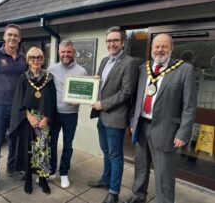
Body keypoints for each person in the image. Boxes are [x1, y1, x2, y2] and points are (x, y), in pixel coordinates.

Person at [123, 34, 197, 203]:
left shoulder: (185, 70)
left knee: (164, 173)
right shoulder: (143, 68)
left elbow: (189, 106)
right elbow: (136, 97)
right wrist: (133, 121)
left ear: (171, 48)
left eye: (164, 46)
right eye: (157, 46)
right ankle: (138, 196)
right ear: (151, 49)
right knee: (140, 166)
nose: (160, 50)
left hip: (167, 130)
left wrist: (183, 133)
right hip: (141, 126)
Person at [88, 27, 138, 203]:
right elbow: (105, 84)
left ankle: (114, 192)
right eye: (109, 41)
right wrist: (96, 81)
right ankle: (105, 179)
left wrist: (103, 104)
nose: (112, 44)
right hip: (101, 116)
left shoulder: (129, 62)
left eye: (115, 40)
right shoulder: (104, 61)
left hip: (115, 117)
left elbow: (126, 92)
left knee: (115, 155)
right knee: (106, 150)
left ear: (122, 42)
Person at [0, 24, 27, 193]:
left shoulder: (23, 59)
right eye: (10, 35)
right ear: (4, 37)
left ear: (19, 38)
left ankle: (11, 169)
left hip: (18, 108)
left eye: (15, 35)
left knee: (15, 141)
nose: (12, 38)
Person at [9, 47, 56, 195]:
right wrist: (29, 117)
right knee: (28, 150)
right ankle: (28, 179)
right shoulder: (24, 78)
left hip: (44, 121)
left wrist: (46, 118)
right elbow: (18, 101)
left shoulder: (49, 78)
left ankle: (42, 180)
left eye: (39, 58)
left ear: (43, 60)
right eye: (32, 58)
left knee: (43, 150)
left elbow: (53, 100)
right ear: (28, 60)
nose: (36, 60)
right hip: (28, 120)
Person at [47, 40, 88, 188]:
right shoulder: (51, 69)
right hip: (54, 114)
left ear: (73, 52)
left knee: (68, 145)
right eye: (63, 52)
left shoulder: (82, 71)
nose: (66, 54)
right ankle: (51, 170)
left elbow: (85, 93)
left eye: (68, 52)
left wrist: (81, 100)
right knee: (51, 143)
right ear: (59, 52)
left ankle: (64, 172)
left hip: (71, 114)